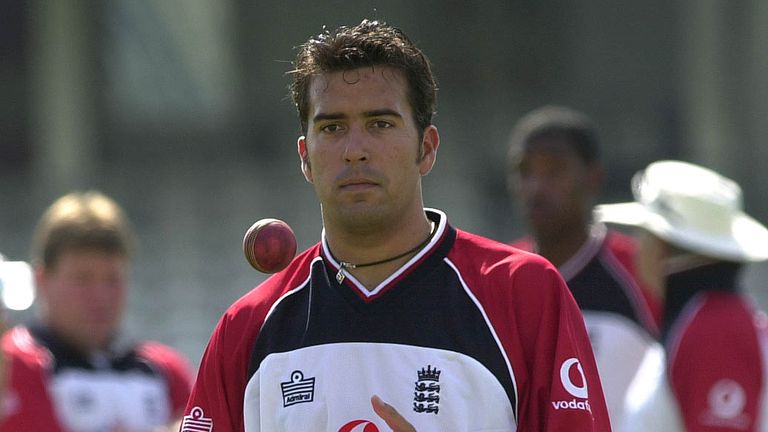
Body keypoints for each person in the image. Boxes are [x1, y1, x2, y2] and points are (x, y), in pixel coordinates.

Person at [182, 19, 610, 431]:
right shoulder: (247, 326)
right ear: (305, 157)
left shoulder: (525, 293)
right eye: (332, 127)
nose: (354, 149)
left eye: (380, 124)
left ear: (426, 149)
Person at [506, 105, 660, 426]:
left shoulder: (639, 272)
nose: (536, 187)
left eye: (554, 170)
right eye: (525, 171)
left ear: (593, 178)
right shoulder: (500, 276)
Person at [595, 160, 768, 431]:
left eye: (644, 233)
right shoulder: (701, 318)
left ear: (662, 245)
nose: (637, 246)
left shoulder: (716, 328)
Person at [0, 191, 193, 431]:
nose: (101, 297)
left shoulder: (167, 370)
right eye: (82, 279)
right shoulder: (14, 360)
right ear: (42, 280)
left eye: (112, 279)